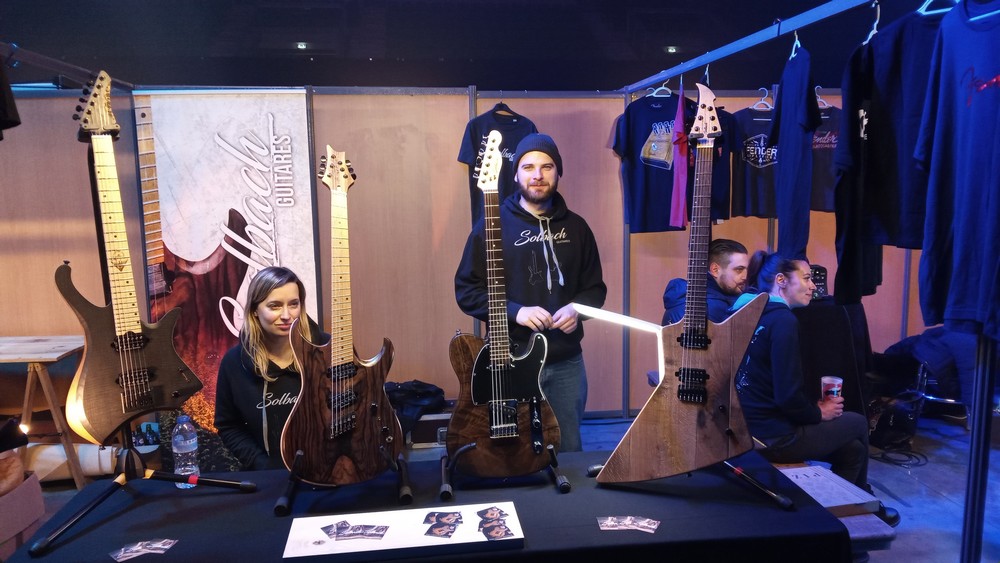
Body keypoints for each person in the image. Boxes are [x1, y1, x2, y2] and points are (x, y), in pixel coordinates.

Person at [455, 133, 607, 453]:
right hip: (510, 361)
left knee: (567, 449)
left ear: (558, 172)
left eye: (547, 167)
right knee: (515, 454)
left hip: (566, 363)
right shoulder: (491, 224)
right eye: (528, 167)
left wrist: (578, 309)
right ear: (515, 175)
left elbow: (595, 289)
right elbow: (467, 291)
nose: (537, 175)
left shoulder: (578, 228)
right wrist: (516, 311)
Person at [732, 251, 900, 528]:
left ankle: (842, 516)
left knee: (853, 451)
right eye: (807, 278)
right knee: (857, 422)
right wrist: (818, 413)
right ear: (781, 280)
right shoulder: (783, 321)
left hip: (744, 429)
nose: (813, 286)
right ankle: (866, 503)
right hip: (770, 437)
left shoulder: (745, 310)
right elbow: (788, 398)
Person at [214, 266, 315, 470]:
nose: (286, 315)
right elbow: (228, 426)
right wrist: (262, 464)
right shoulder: (234, 363)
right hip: (268, 476)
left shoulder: (326, 351)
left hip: (326, 473)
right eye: (275, 306)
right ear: (254, 310)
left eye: (293, 304)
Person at [662, 238, 750, 325]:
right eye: (739, 269)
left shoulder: (681, 297)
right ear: (715, 270)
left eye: (748, 269)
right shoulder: (714, 309)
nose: (746, 276)